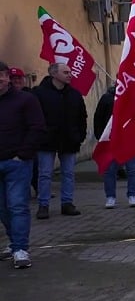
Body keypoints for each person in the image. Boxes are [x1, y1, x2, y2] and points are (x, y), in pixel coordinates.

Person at [0, 62, 45, 269]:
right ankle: (13, 242)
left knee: (17, 206)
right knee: (2, 209)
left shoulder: (25, 100)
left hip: (16, 163)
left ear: (8, 77)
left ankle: (20, 249)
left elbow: (36, 127)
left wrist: (23, 154)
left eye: (1, 75)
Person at [32, 62, 87, 219]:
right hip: (46, 141)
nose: (70, 75)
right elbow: (35, 117)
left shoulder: (74, 94)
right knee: (45, 174)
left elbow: (82, 117)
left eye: (70, 72)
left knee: (68, 173)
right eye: (65, 72)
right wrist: (40, 135)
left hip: (69, 140)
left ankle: (67, 203)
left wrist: (80, 136)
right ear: (54, 74)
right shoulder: (40, 94)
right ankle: (43, 205)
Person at [93, 83, 135, 208]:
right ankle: (110, 196)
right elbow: (98, 118)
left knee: (133, 169)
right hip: (110, 140)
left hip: (130, 139)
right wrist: (101, 137)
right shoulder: (107, 98)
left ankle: (132, 195)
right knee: (109, 170)